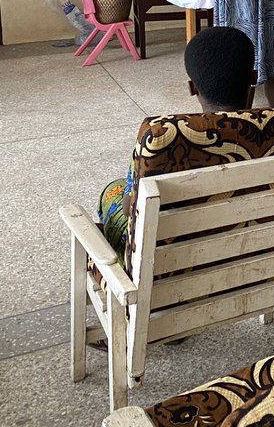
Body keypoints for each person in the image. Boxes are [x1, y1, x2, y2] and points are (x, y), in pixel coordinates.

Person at [98, 27, 257, 257]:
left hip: (177, 264)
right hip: (269, 252)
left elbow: (129, 208)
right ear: (254, 78)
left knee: (113, 191)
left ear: (192, 87)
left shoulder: (160, 139)